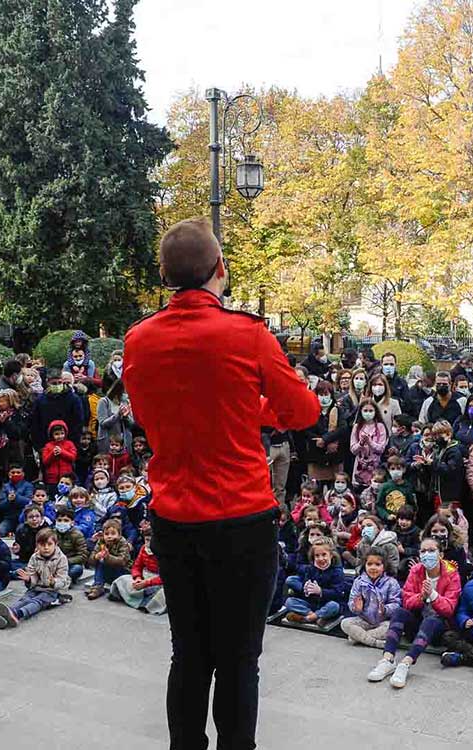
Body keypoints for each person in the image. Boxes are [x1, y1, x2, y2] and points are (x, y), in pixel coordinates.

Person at [120, 218, 319, 749]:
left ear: (164, 277)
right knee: (237, 659)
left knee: (188, 653)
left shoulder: (138, 340)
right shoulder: (246, 333)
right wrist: (252, 408)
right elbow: (302, 411)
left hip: (173, 518)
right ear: (220, 270)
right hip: (240, 520)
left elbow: (151, 413)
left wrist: (238, 407)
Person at [366, 537, 460, 688]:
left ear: (441, 554)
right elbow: (407, 601)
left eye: (431, 551)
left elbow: (449, 609)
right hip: (417, 623)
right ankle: (387, 659)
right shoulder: (416, 570)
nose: (427, 554)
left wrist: (433, 595)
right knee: (400, 612)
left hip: (438, 627)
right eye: (423, 551)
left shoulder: (451, 573)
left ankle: (405, 663)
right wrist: (421, 596)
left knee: (431, 621)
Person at [0, 527, 71, 628]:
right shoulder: (34, 557)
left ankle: (18, 614)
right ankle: (8, 612)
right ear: (37, 545)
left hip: (51, 590)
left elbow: (63, 578)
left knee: (36, 602)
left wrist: (54, 582)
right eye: (42, 545)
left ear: (56, 544)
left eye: (49, 544)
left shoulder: (61, 558)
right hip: (36, 587)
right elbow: (32, 573)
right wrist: (29, 579)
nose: (46, 548)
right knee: (25, 599)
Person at [341, 550, 402, 649]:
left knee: (391, 628)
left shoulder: (392, 582)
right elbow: (352, 601)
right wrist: (356, 608)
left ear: (384, 566)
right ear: (364, 565)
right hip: (364, 620)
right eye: (369, 564)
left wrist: (385, 609)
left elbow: (396, 604)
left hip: (383, 621)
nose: (373, 567)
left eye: (377, 564)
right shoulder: (359, 582)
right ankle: (375, 643)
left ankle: (356, 638)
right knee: (345, 623)